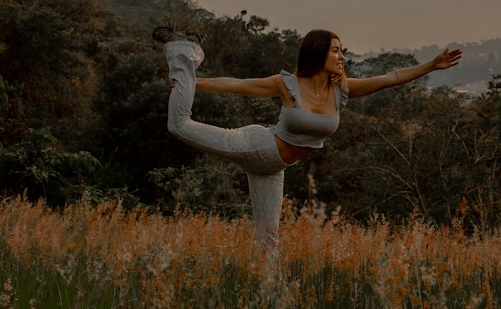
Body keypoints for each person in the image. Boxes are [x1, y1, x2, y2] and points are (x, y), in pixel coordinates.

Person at [155, 26, 462, 275]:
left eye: (342, 50)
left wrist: (432, 65)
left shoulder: (342, 89)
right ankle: (183, 57)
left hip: (273, 168)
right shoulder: (287, 84)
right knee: (179, 124)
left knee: (269, 238)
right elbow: (238, 84)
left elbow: (390, 78)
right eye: (336, 49)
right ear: (318, 52)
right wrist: (196, 83)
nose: (342, 56)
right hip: (255, 144)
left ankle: (269, 296)